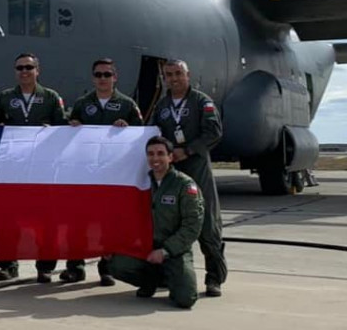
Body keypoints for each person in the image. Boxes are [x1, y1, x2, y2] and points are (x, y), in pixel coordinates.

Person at [148, 59, 226, 297]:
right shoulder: (161, 106)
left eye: (178, 73)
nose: (173, 78)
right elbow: (153, 135)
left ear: (188, 75)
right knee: (166, 221)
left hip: (197, 167)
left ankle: (214, 278)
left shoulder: (202, 102)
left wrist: (188, 150)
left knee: (207, 224)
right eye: (168, 74)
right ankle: (165, 275)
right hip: (171, 173)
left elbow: (214, 132)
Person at [65, 58, 143, 286]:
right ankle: (75, 267)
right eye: (98, 74)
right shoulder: (82, 104)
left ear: (114, 77)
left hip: (113, 176)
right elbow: (67, 129)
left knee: (107, 223)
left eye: (107, 74)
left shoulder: (127, 105)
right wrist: (72, 126)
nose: (102, 79)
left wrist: (127, 130)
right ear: (93, 78)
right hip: (85, 175)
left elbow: (141, 135)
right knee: (78, 222)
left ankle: (106, 268)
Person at [0, 52, 67, 282]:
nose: (24, 72)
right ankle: (7, 265)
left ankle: (45, 267)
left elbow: (61, 128)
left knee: (45, 221)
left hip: (42, 171)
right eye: (20, 68)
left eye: (28, 68)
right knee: (8, 219)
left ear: (37, 70)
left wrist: (51, 129)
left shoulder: (51, 97)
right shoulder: (5, 97)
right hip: (13, 170)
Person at [108, 136, 204, 309]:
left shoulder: (184, 185)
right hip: (146, 247)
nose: (155, 158)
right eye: (150, 154)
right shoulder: (140, 183)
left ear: (170, 157)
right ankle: (150, 282)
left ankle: (171, 279)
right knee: (116, 265)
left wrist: (166, 250)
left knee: (185, 299)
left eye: (160, 153)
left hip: (174, 250)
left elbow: (192, 226)